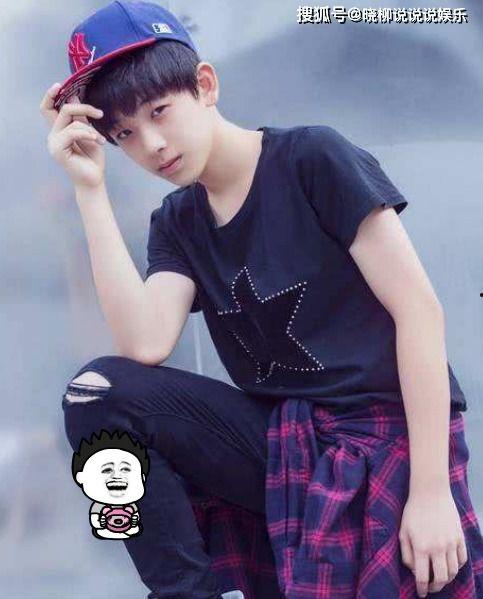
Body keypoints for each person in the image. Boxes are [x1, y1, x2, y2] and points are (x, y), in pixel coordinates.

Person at [40, 2, 483, 598]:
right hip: (284, 442)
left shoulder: (312, 159)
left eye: (159, 111)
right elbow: (144, 344)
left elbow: (420, 312)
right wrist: (89, 189)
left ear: (205, 85)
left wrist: (431, 492)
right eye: (124, 135)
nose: (151, 145)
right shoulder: (178, 222)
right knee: (97, 395)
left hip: (386, 434)